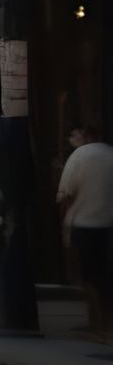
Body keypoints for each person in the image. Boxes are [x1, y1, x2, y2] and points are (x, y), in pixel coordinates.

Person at [57, 125, 113, 342]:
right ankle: (104, 322)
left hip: (84, 224)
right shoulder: (110, 154)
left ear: (86, 136)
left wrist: (65, 226)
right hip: (108, 223)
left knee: (89, 276)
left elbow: (65, 195)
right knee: (104, 273)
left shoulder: (79, 155)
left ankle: (99, 323)